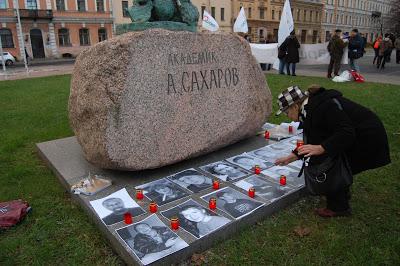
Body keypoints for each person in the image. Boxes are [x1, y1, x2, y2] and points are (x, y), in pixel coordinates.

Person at [275, 85, 390, 218]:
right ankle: (340, 197)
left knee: (335, 165)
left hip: (366, 136)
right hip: (354, 134)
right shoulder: (310, 109)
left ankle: (339, 207)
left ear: (295, 106)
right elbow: (315, 137)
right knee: (334, 160)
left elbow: (346, 132)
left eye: (286, 112)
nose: (287, 116)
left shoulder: (324, 106)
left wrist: (321, 148)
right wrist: (293, 156)